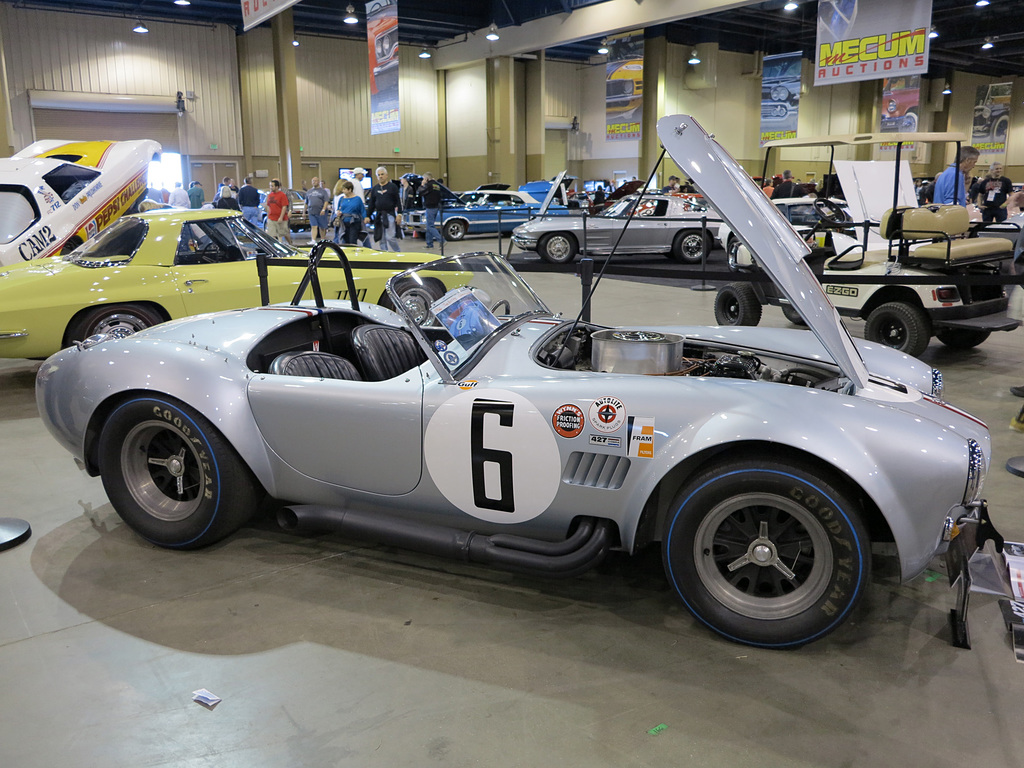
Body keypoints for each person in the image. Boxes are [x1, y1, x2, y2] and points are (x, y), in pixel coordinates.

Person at [365, 166, 402, 251]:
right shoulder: (375, 188)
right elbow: (371, 203)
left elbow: (398, 201)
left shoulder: (393, 187)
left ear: (386, 175)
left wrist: (399, 214)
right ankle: (384, 254)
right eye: (378, 175)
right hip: (379, 215)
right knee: (381, 238)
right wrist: (368, 215)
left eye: (382, 174)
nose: (380, 176)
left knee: (390, 237)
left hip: (390, 215)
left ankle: (398, 252)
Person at [334, 180, 367, 245]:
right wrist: (338, 213)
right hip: (344, 221)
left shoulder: (357, 199)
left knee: (353, 239)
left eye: (344, 189)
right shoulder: (342, 199)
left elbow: (362, 210)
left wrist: (365, 217)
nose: (343, 191)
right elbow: (338, 209)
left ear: (350, 190)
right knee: (345, 239)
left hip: (354, 221)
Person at [263, 178, 291, 244]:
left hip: (281, 218)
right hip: (271, 218)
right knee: (272, 234)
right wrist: (268, 217)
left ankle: (290, 243)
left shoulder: (282, 195)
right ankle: (276, 248)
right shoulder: (270, 195)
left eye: (272, 186)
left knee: (284, 233)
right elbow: (268, 206)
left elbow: (284, 207)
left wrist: (281, 217)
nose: (270, 187)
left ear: (277, 187)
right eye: (270, 186)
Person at [305, 176, 332, 241]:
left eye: (315, 181)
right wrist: (304, 211)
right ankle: (313, 240)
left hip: (321, 212)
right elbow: (306, 202)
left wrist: (323, 209)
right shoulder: (309, 191)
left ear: (318, 182)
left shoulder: (323, 191)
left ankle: (322, 239)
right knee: (313, 226)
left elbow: (326, 201)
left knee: (322, 227)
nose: (314, 182)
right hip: (312, 212)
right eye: (313, 181)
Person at [420, 172, 442, 249]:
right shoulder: (437, 185)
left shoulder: (428, 185)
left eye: (423, 179)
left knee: (430, 226)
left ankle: (441, 240)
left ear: (426, 178)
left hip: (430, 207)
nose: (423, 180)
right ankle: (429, 244)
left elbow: (421, 192)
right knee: (429, 225)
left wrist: (422, 185)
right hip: (436, 207)